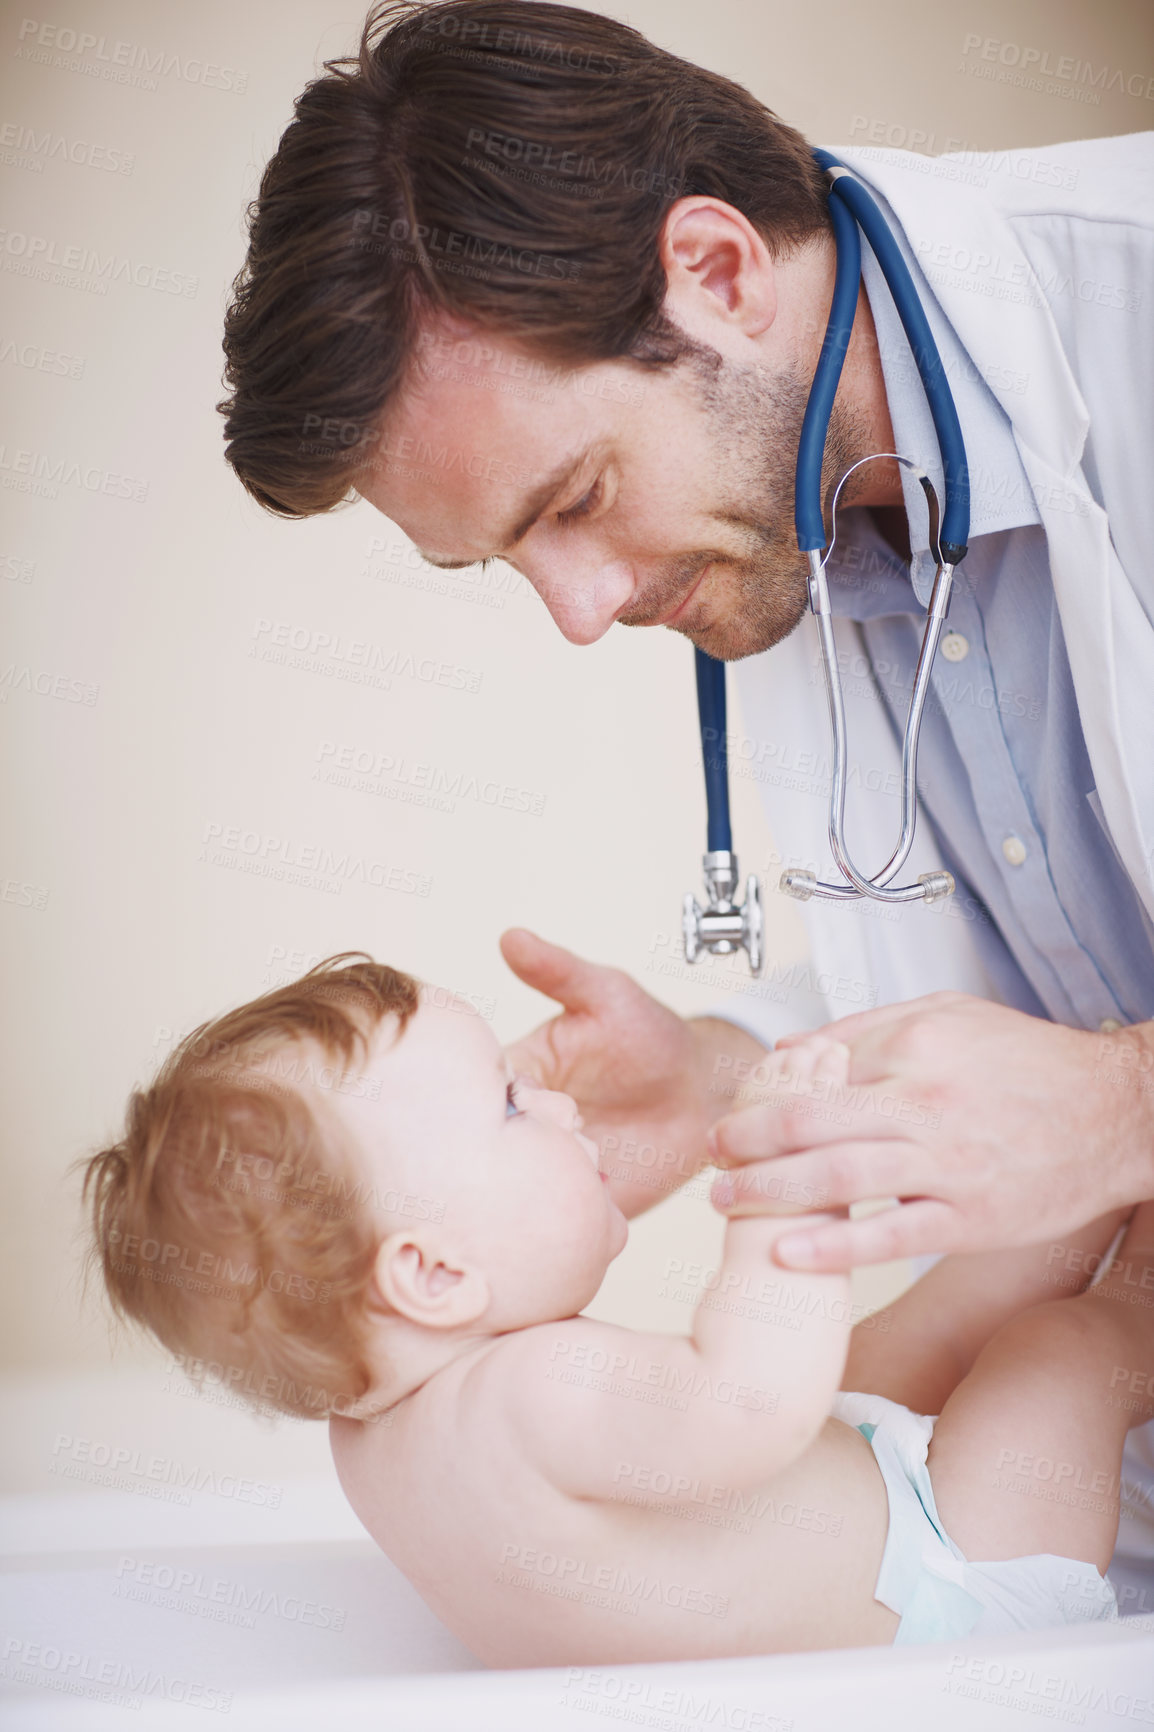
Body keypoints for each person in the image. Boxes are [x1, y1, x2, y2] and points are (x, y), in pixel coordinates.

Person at [215, 0, 1154, 1597]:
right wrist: (726, 1074)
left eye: (572, 500)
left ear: (716, 273)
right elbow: (1030, 981)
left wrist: (1121, 1107)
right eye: (505, 561)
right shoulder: (796, 541)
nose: (578, 615)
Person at [79, 956, 1153, 1660]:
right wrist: (787, 1186)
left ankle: (1094, 1165)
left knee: (929, 1325)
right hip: (951, 1593)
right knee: (1055, 1354)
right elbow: (748, 1403)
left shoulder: (375, 1443)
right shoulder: (523, 1396)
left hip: (867, 1525)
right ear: (434, 1273)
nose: (552, 1100)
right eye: (507, 1105)